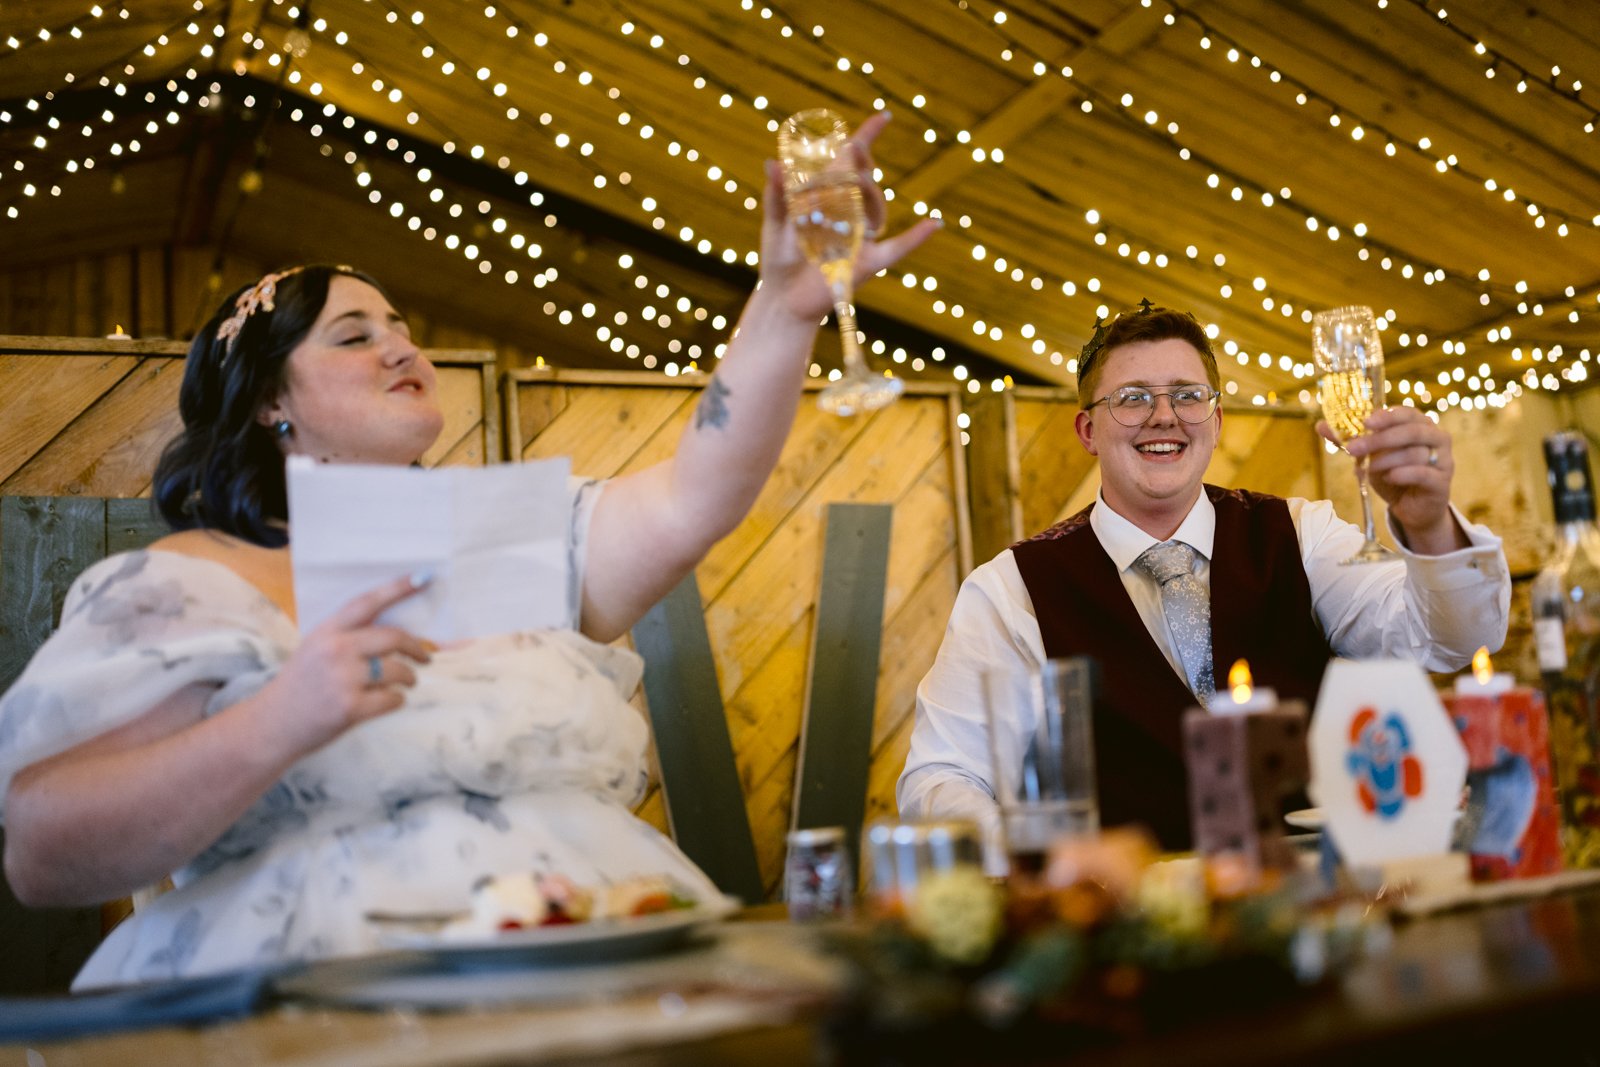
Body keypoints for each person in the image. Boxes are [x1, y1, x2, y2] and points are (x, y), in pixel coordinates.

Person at [0, 113, 937, 989]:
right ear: (264, 401)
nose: (403, 347)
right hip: (317, 977)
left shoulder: (511, 534)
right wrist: (283, 714)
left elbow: (700, 492)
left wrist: (783, 308)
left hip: (595, 942)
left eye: (403, 326)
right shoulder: (183, 583)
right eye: (356, 335)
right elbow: (44, 854)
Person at [899, 304, 1510, 853]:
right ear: (1088, 431)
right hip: (1140, 936)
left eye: (1188, 395)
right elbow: (943, 776)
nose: (1164, 416)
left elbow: (1450, 641)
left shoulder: (1302, 534)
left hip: (1322, 908)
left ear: (1215, 422)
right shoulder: (1011, 589)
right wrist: (1042, 865)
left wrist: (1430, 529)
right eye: (1132, 398)